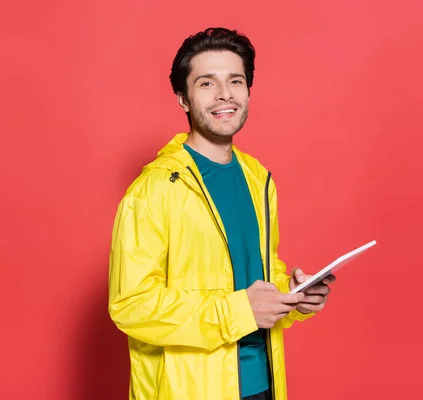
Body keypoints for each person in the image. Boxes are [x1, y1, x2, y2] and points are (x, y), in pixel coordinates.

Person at [108, 27, 335, 400]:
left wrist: (294, 295)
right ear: (183, 98)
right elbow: (131, 305)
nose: (224, 94)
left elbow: (256, 275)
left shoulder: (259, 178)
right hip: (191, 390)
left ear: (248, 90)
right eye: (206, 84)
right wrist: (239, 312)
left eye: (235, 81)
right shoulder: (154, 189)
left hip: (265, 384)